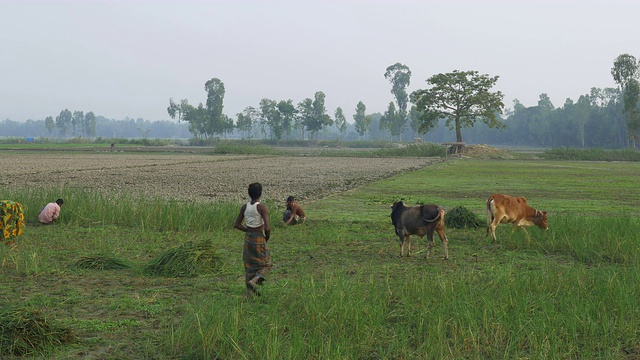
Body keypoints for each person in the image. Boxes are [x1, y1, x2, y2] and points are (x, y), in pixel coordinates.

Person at [234, 183, 271, 297]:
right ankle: (254, 281)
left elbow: (237, 224)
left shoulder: (245, 207)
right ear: (260, 193)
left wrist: (248, 230)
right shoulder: (261, 208)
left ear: (249, 193)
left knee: (249, 265)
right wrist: (266, 237)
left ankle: (249, 294)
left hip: (248, 238)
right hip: (259, 237)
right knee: (267, 264)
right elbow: (267, 227)